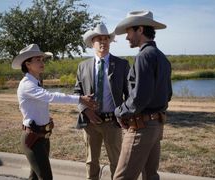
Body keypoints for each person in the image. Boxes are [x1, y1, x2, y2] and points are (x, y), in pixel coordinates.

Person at [12, 44, 96, 180]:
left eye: (42, 59)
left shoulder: (35, 82)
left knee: (35, 177)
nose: (42, 62)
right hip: (33, 139)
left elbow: (39, 104)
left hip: (42, 136)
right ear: (28, 64)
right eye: (38, 59)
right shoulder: (27, 84)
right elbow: (51, 97)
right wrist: (80, 99)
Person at [112, 11, 172, 180]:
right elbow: (168, 94)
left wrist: (119, 112)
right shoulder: (161, 57)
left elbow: (139, 97)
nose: (126, 37)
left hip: (141, 127)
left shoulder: (143, 57)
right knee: (150, 176)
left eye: (128, 32)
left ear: (139, 29)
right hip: (156, 126)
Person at [74, 23, 130, 180]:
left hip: (112, 122)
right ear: (93, 42)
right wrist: (86, 110)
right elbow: (77, 92)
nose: (103, 42)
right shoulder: (82, 66)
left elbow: (129, 95)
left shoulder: (121, 65)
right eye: (99, 39)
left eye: (106, 39)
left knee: (117, 162)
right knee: (91, 161)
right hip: (90, 123)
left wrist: (122, 114)